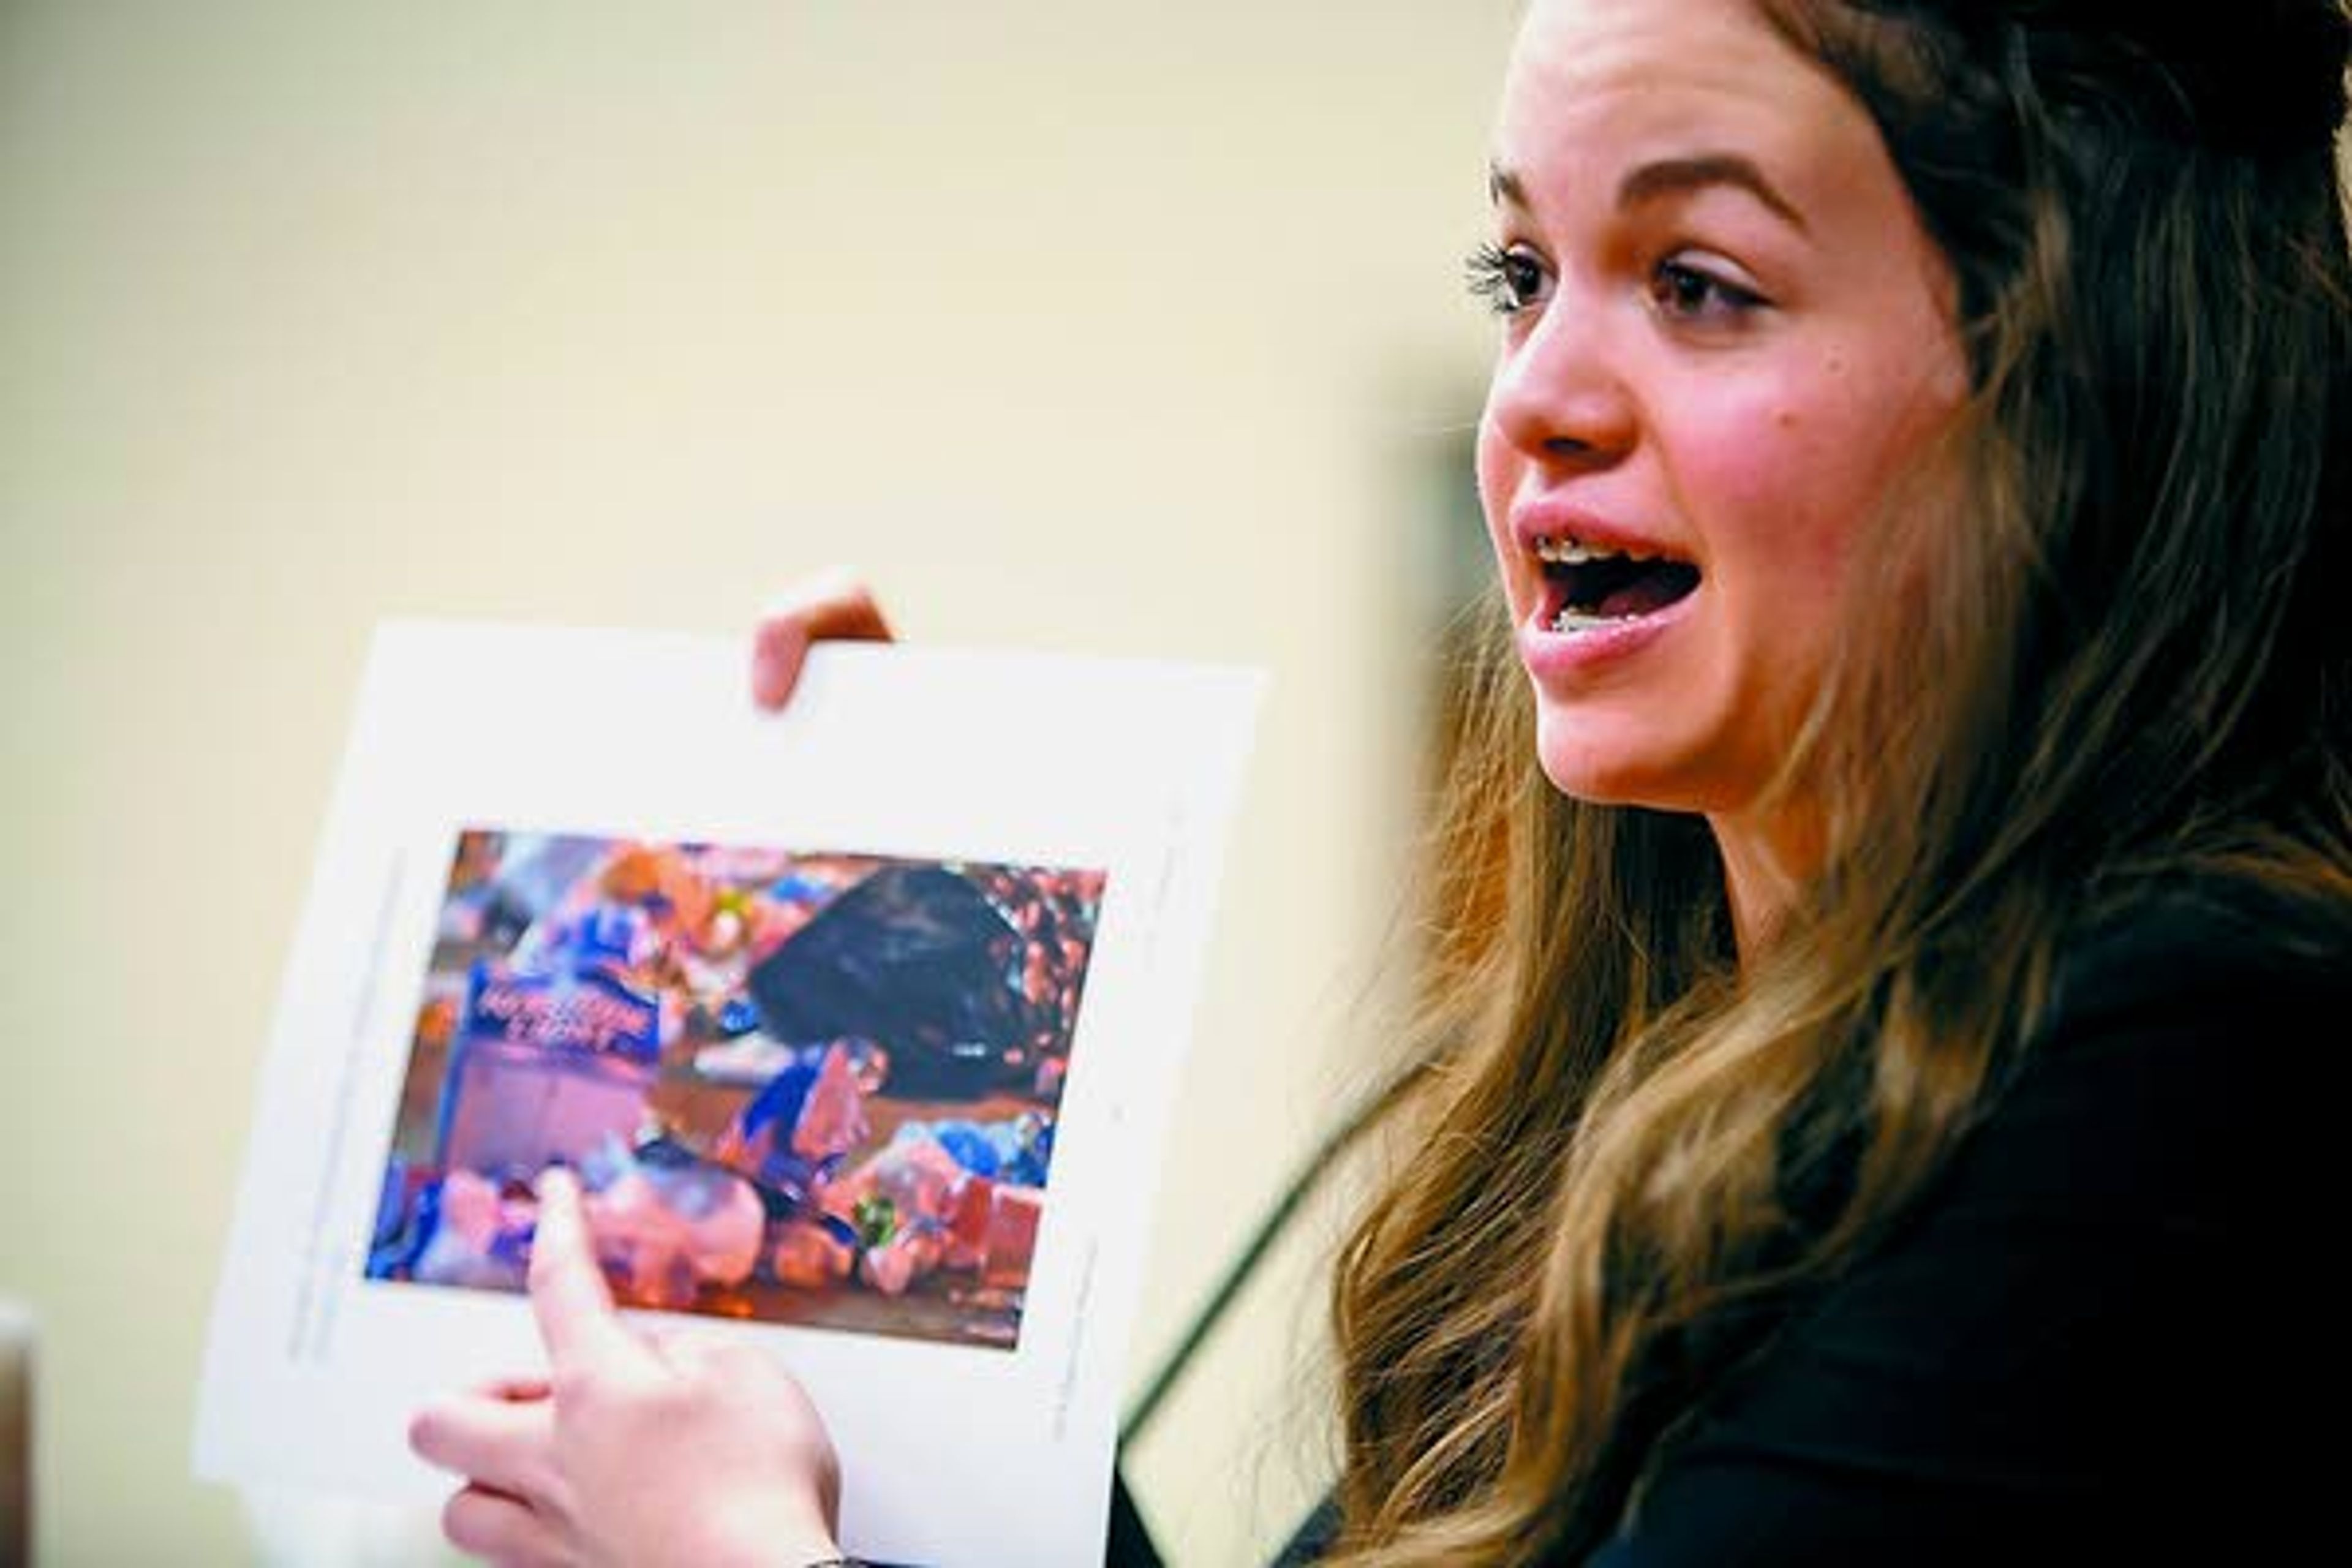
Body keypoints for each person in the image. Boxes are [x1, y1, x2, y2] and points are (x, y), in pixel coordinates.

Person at [408, 0, 2352, 1561]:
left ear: (2080, 387)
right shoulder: (1630, 1083)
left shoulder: (2196, 1072)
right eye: (1522, 272)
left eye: (1698, 279)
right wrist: (941, 956)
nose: (1532, 401)